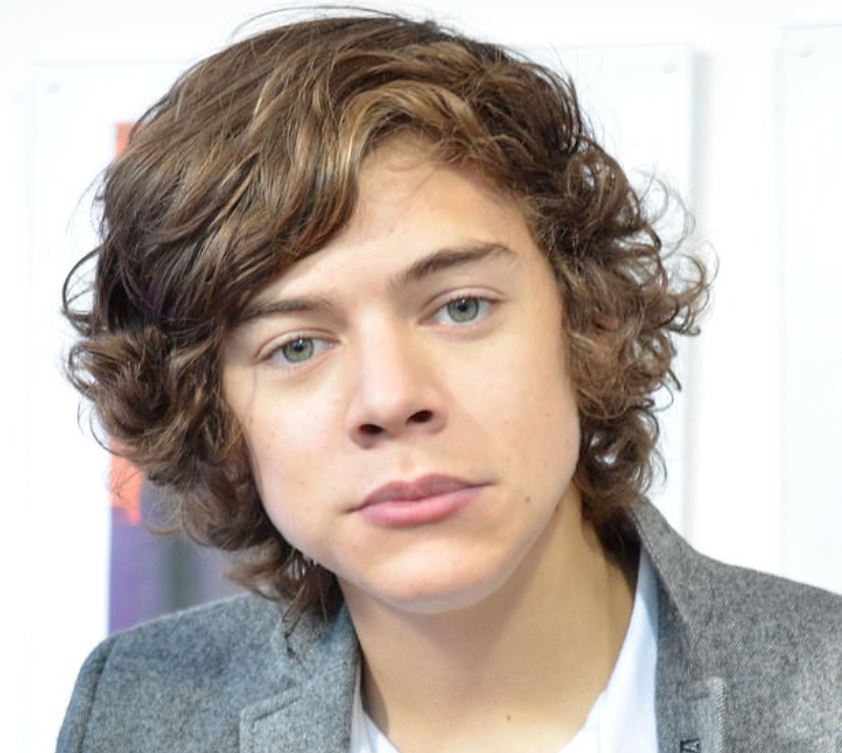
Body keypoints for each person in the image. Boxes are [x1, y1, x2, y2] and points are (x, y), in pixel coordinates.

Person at [57, 10, 841, 753]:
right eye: (296, 346)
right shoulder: (136, 709)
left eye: (461, 307)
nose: (391, 398)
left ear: (588, 319)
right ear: (213, 413)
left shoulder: (824, 689)